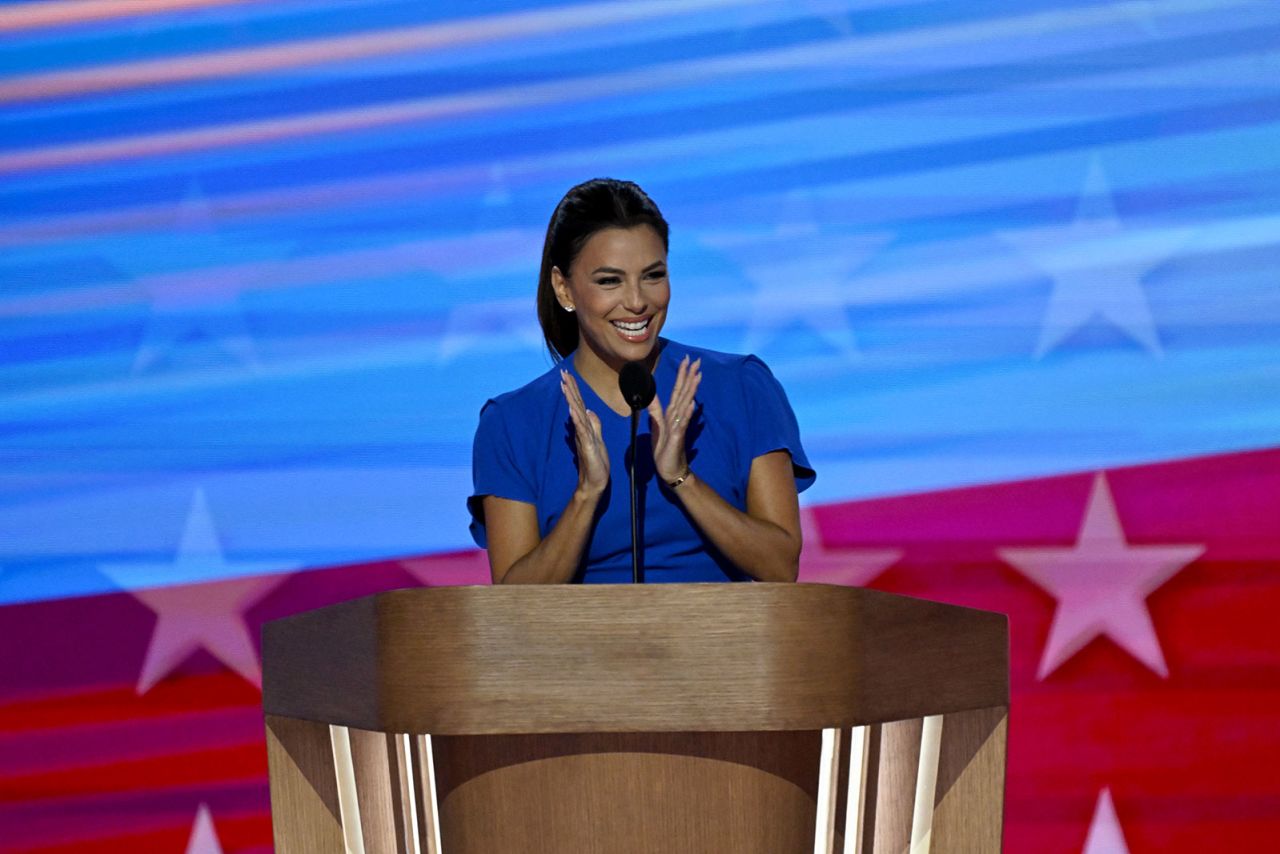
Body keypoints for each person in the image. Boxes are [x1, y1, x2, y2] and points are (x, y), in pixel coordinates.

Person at [468, 178, 815, 584]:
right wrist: (586, 495)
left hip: (722, 643)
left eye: (652, 275)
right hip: (577, 647)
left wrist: (681, 478)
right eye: (609, 281)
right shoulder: (512, 422)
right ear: (564, 289)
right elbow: (512, 609)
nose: (637, 301)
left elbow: (780, 567)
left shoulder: (742, 387)